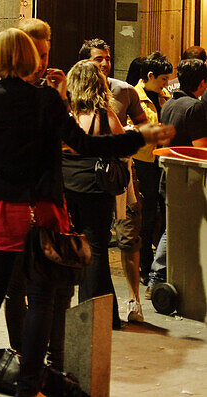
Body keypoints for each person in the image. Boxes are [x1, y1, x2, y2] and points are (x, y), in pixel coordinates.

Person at [0, 28, 171, 397]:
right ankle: (29, 385)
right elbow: (85, 144)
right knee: (42, 298)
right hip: (41, 208)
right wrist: (140, 136)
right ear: (30, 57)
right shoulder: (47, 100)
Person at [79, 38, 150, 320]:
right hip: (86, 180)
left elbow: (144, 126)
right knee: (90, 241)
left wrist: (132, 130)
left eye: (107, 58)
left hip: (120, 176)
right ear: (85, 62)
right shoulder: (74, 91)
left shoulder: (124, 90)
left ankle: (134, 300)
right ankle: (88, 305)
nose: (105, 64)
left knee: (128, 237)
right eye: (99, 59)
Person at [61, 61, 126, 329]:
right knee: (97, 250)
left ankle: (103, 314)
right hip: (96, 188)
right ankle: (92, 316)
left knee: (75, 249)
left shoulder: (67, 115)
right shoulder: (104, 115)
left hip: (67, 186)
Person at [150, 58, 207, 292]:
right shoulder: (195, 107)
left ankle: (160, 276)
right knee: (175, 228)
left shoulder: (169, 105)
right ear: (202, 83)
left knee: (171, 226)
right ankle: (158, 274)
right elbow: (201, 149)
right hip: (188, 178)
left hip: (168, 175)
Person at [132, 51, 172, 284]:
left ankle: (157, 267)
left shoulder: (165, 96)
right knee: (145, 217)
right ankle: (144, 267)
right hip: (143, 162)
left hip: (160, 162)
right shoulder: (134, 96)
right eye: (163, 79)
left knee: (160, 214)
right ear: (150, 75)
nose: (166, 83)